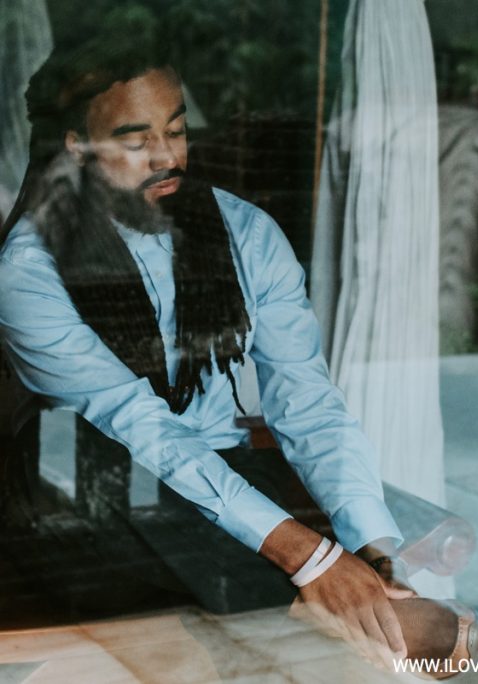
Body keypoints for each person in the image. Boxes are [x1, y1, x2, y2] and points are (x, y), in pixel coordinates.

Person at [0, 36, 414, 667]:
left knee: (339, 611)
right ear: (78, 146)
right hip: (90, 502)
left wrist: (374, 549)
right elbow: (136, 426)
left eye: (177, 130)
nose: (167, 157)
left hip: (220, 480)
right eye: (135, 141)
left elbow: (307, 401)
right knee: (306, 633)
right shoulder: (28, 272)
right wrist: (311, 559)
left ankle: (353, 620)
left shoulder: (247, 235)